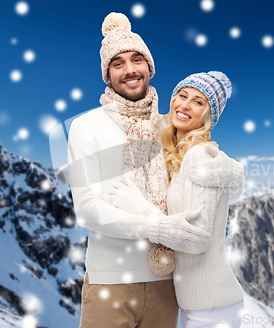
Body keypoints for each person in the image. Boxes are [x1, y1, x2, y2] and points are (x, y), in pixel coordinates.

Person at [67, 13, 240, 328]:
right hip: (111, 282)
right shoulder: (87, 127)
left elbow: (204, 154)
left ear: (149, 67)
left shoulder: (167, 126)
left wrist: (232, 171)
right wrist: (158, 229)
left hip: (167, 282)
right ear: (107, 75)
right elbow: (88, 209)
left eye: (137, 59)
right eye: (118, 64)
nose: (130, 70)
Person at [109, 71, 246, 328]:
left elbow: (197, 239)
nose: (185, 104)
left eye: (198, 101)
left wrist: (138, 206)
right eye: (182, 96)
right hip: (203, 303)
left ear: (209, 116)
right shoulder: (183, 157)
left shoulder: (198, 158)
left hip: (212, 306)